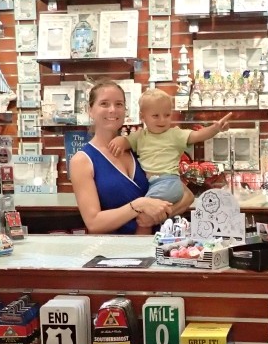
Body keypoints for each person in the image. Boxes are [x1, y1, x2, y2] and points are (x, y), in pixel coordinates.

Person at [70, 81, 184, 235]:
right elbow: (94, 223)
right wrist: (139, 205)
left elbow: (186, 196)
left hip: (158, 244)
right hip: (115, 248)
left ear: (125, 110)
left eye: (119, 104)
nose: (112, 110)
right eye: (104, 104)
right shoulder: (82, 160)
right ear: (90, 110)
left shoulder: (140, 148)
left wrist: (154, 218)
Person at [108, 89, 232, 207]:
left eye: (167, 115)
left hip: (168, 182)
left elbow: (198, 135)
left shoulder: (175, 135)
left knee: (145, 208)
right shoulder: (140, 136)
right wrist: (119, 140)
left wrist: (215, 128)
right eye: (156, 116)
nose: (162, 120)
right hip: (151, 184)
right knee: (145, 209)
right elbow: (125, 141)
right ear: (142, 116)